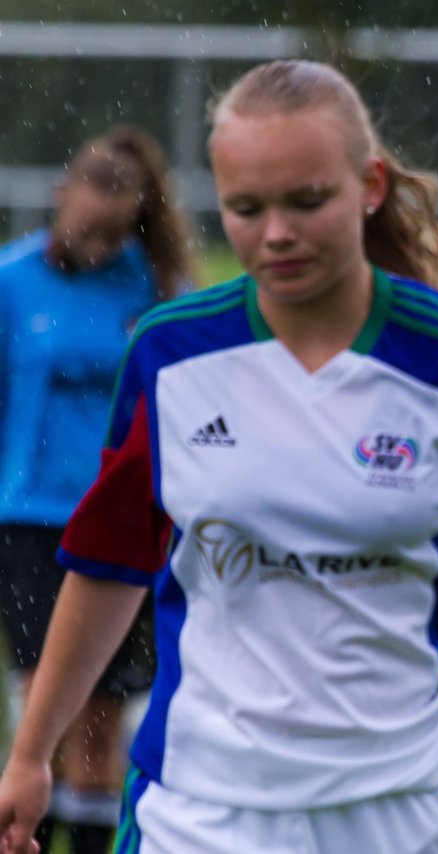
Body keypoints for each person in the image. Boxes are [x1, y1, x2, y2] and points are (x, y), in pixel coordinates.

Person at [0, 59, 438, 854]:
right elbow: (111, 561)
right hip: (195, 809)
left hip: (396, 810)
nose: (277, 233)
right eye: (246, 207)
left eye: (307, 201)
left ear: (368, 187)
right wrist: (28, 757)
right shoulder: (170, 352)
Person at [0, 124, 194, 854]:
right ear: (60, 194)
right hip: (30, 518)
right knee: (40, 708)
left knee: (102, 716)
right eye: (84, 215)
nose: (92, 235)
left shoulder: (158, 288)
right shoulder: (12, 282)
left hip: (125, 521)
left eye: (113, 223)